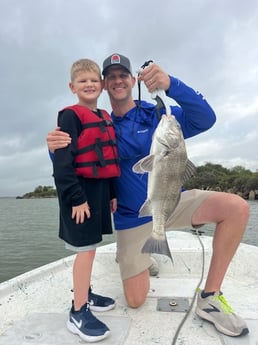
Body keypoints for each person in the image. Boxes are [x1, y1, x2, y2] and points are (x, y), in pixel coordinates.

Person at [47, 53, 250, 337]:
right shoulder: (99, 124)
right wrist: (54, 147)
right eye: (112, 76)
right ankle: (139, 256)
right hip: (132, 217)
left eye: (123, 75)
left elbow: (206, 119)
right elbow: (75, 159)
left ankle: (210, 296)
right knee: (136, 300)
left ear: (132, 80)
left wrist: (172, 85)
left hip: (172, 200)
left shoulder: (158, 115)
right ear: (105, 85)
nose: (118, 80)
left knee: (237, 208)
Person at [52, 58, 120, 342]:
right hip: (79, 195)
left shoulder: (105, 115)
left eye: (94, 80)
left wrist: (112, 195)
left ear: (102, 85)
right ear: (72, 87)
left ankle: (86, 293)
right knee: (86, 250)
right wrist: (76, 199)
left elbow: (110, 160)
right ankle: (78, 310)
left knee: (92, 246)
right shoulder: (70, 116)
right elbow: (63, 164)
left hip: (100, 193)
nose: (89, 85)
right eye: (82, 81)